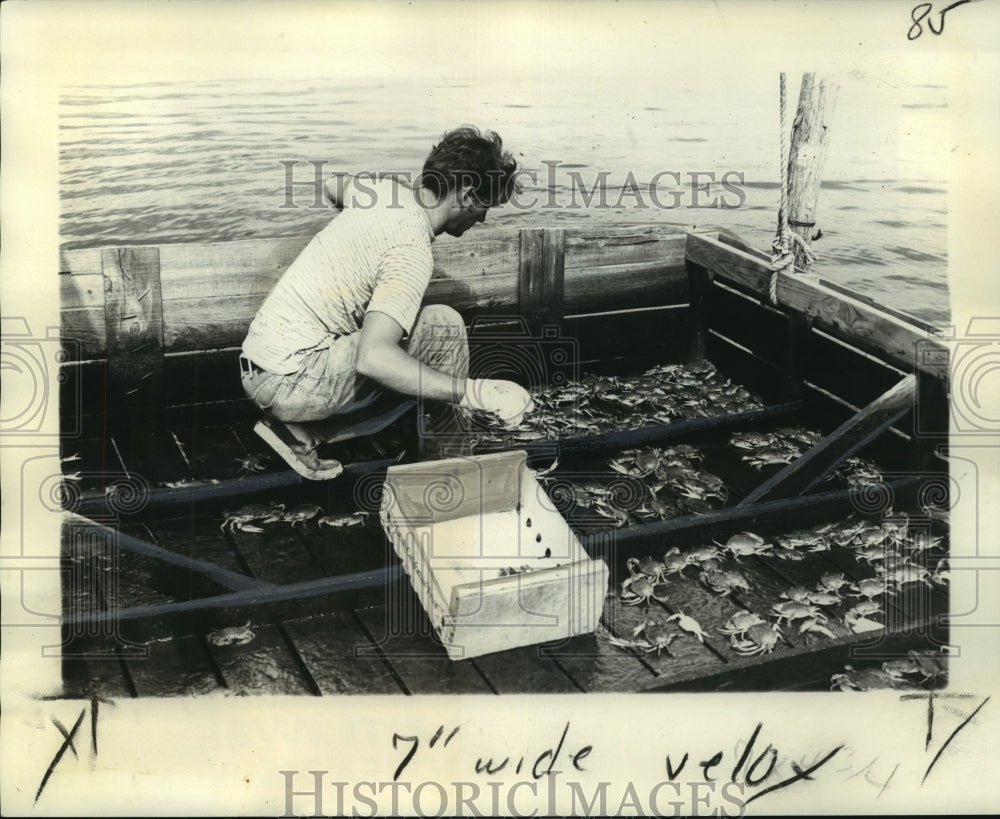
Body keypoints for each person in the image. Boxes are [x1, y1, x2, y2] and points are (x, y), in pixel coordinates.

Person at [239, 126, 533, 478]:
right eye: (486, 206)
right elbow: (373, 359)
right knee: (443, 338)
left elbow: (332, 184)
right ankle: (449, 471)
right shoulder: (411, 251)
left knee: (439, 323)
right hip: (290, 381)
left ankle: (307, 432)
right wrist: (476, 393)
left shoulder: (383, 192)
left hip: (262, 365)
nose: (483, 218)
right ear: (467, 193)